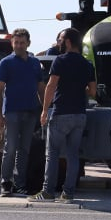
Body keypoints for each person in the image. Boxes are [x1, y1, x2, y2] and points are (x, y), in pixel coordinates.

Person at [29, 27, 96, 203]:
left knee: (52, 154)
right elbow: (93, 91)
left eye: (60, 40)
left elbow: (51, 86)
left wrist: (44, 110)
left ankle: (48, 192)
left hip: (61, 113)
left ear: (67, 42)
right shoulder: (87, 64)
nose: (58, 43)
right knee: (73, 155)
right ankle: (68, 193)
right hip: (79, 115)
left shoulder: (60, 61)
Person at [0, 28, 46, 197]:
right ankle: (6, 182)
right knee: (10, 148)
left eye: (22, 42)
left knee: (24, 149)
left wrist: (45, 109)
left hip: (31, 112)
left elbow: (41, 88)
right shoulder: (6, 63)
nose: (19, 45)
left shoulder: (34, 63)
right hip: (12, 112)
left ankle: (20, 183)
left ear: (28, 43)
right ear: (12, 43)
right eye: (16, 42)